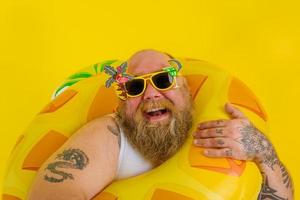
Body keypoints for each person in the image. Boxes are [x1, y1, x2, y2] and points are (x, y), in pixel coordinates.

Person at [28, 49, 293, 200]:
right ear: (120, 105)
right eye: (135, 86)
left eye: (163, 80)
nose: (151, 94)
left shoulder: (220, 129)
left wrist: (264, 154)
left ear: (187, 90)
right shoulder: (108, 137)